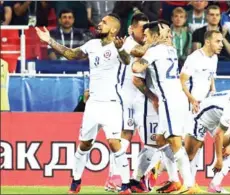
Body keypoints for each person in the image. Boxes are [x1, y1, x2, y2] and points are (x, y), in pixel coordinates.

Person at [35, 13, 133, 194]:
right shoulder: (92, 44)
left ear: (113, 29)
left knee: (114, 142)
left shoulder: (120, 45)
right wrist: (50, 41)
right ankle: (76, 182)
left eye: (104, 22)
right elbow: (71, 54)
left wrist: (120, 50)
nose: (99, 24)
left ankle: (125, 185)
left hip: (112, 103)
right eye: (100, 21)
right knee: (85, 145)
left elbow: (127, 61)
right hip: (93, 104)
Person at [132, 21, 198, 194]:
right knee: (161, 141)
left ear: (154, 36)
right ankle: (174, 180)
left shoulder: (154, 51)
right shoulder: (171, 49)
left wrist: (142, 52)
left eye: (147, 35)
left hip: (169, 101)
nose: (144, 38)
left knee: (175, 143)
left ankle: (190, 186)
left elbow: (136, 67)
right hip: (176, 98)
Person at [105, 12, 149, 192]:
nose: (145, 32)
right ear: (132, 29)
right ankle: (114, 177)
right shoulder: (129, 43)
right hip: (125, 96)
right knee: (125, 135)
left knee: (148, 138)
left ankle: (138, 178)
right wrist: (156, 42)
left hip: (139, 97)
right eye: (142, 28)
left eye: (148, 29)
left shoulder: (143, 44)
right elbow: (140, 53)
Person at [180, 30, 222, 186]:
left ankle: (191, 183)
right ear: (208, 42)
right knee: (189, 146)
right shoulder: (194, 58)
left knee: (199, 144)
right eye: (218, 41)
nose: (221, 45)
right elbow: (182, 81)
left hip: (204, 107)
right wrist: (192, 100)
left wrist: (213, 91)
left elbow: (211, 77)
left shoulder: (214, 58)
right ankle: (163, 170)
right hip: (190, 107)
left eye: (222, 41)